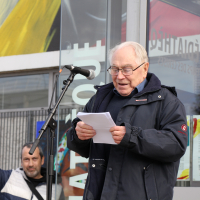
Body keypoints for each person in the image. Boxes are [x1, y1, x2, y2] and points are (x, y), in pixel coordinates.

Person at [67, 41, 188, 200]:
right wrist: (78, 135)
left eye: (127, 69)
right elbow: (77, 143)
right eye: (115, 69)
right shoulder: (99, 99)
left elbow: (176, 144)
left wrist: (132, 136)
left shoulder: (166, 102)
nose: (120, 76)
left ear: (144, 69)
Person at [0, 142, 64, 200]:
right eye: (26, 159)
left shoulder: (57, 189)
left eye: (34, 159)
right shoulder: (7, 178)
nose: (30, 164)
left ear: (42, 160)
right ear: (21, 162)